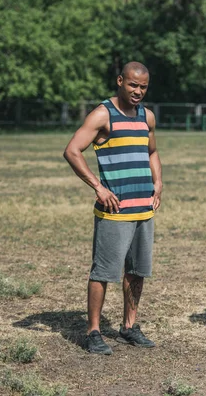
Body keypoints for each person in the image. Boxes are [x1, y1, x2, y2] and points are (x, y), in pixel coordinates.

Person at [63, 62, 162, 355]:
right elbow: (71, 150)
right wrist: (98, 187)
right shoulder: (103, 114)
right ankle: (93, 331)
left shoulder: (147, 116)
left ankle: (129, 327)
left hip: (143, 208)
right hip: (114, 210)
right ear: (120, 81)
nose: (138, 91)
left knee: (136, 271)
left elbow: (152, 151)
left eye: (143, 87)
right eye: (133, 85)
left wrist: (158, 182)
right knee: (103, 272)